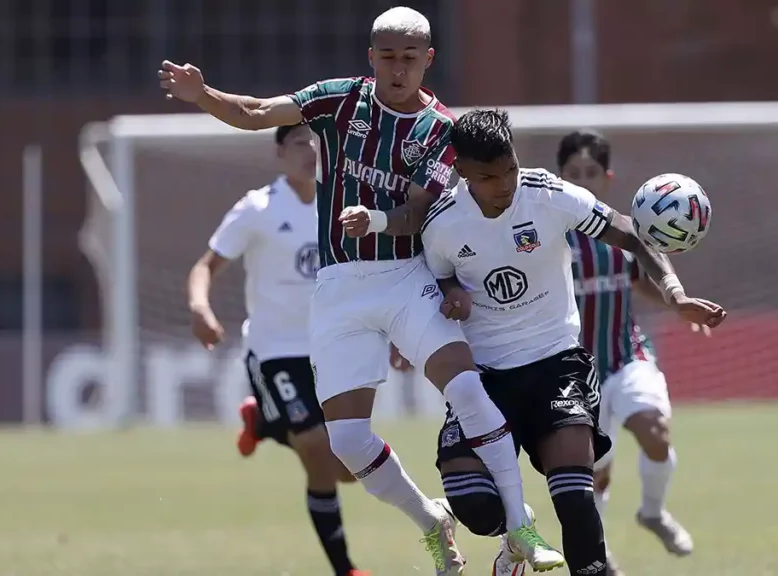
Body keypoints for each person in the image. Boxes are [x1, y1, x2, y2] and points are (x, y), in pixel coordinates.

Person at [160, 7, 560, 575]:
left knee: (467, 390)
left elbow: (418, 211)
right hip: (341, 289)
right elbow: (253, 112)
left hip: (405, 279)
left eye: (410, 59)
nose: (399, 70)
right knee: (345, 442)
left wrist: (373, 221)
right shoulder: (338, 99)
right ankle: (431, 522)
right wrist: (203, 94)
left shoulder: (440, 128)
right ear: (371, 58)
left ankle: (520, 527)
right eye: (389, 58)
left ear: (429, 61)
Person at [420, 109, 726, 576]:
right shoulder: (440, 224)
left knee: (578, 500)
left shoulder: (549, 194)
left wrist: (675, 293)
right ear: (461, 171)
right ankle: (514, 538)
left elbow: (632, 234)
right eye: (489, 177)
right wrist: (450, 295)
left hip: (556, 364)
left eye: (510, 170)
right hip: (482, 377)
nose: (505, 185)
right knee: (476, 507)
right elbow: (433, 281)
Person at [187, 123, 368, 576]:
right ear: (279, 153)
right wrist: (199, 308)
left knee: (348, 468)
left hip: (331, 350)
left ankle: (264, 422)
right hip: (274, 351)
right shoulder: (258, 208)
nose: (310, 150)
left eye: (316, 142)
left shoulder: (342, 207)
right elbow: (205, 265)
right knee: (314, 447)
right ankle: (345, 568)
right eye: (299, 142)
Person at [551, 130, 696, 575]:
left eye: (590, 173)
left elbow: (637, 283)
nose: (582, 181)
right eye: (572, 174)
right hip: (576, 376)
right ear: (560, 178)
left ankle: (652, 512)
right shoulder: (549, 234)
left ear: (607, 178)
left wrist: (681, 306)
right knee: (597, 475)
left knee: (656, 432)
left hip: (626, 354)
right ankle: (601, 549)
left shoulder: (623, 230)